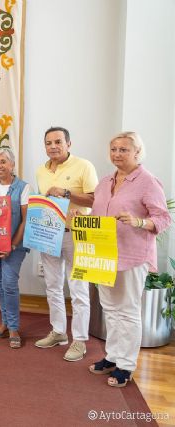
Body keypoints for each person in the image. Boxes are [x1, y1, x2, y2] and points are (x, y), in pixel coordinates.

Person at [88, 132, 170, 387]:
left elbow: (163, 218)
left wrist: (138, 222)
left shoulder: (148, 182)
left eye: (123, 149)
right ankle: (112, 357)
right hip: (103, 256)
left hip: (132, 256)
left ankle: (126, 365)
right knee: (110, 309)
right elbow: (97, 214)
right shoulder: (105, 182)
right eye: (113, 149)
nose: (117, 154)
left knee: (128, 311)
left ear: (137, 152)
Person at [35, 126, 98, 361]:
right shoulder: (41, 170)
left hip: (76, 234)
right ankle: (59, 332)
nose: (53, 146)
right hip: (48, 233)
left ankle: (79, 340)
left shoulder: (84, 166)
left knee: (79, 289)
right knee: (52, 286)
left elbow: (95, 199)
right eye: (48, 143)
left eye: (58, 142)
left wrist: (66, 193)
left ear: (68, 144)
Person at [0, 148, 30, 349]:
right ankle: (5, 322)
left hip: (14, 246)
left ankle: (14, 328)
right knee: (0, 283)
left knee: (9, 284)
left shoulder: (23, 187)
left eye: (3, 162)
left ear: (12, 165)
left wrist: (12, 245)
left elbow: (25, 221)